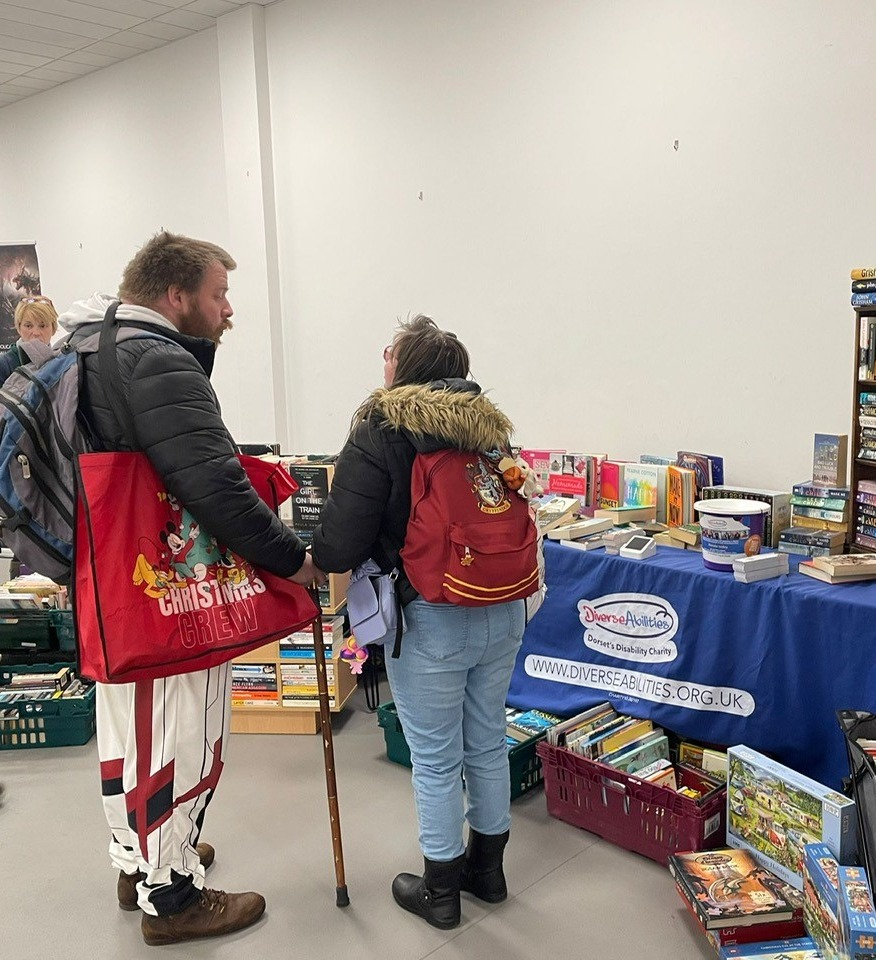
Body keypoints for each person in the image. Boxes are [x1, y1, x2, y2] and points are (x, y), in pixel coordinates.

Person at [59, 232, 319, 946]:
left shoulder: (90, 344)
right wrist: (291, 559)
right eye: (218, 294)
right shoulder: (159, 360)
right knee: (180, 737)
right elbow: (215, 487)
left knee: (132, 732)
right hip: (166, 589)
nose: (228, 309)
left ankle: (138, 859)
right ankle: (170, 897)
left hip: (111, 579)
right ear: (176, 297)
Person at [311, 315, 526, 930]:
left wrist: (313, 558)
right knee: (486, 740)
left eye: (389, 354)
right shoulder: (490, 428)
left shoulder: (381, 428)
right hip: (502, 604)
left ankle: (440, 893)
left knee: (434, 759)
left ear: (403, 368)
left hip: (429, 613)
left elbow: (339, 543)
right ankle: (488, 872)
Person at [0, 294, 59, 382]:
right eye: (28, 326)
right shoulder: (5, 364)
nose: (36, 333)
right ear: (18, 327)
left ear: (53, 328)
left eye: (42, 326)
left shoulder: (60, 363)